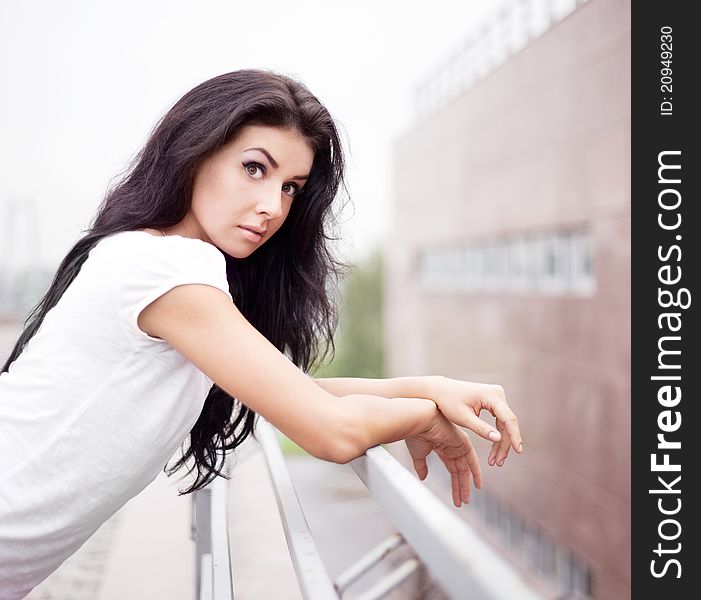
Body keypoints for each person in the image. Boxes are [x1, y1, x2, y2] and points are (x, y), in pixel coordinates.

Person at [0, 69, 522, 598]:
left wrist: (424, 387)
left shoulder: (150, 257)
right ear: (195, 152)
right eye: (254, 168)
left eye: (290, 187)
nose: (272, 207)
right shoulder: (170, 269)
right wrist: (424, 418)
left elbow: (291, 392)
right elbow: (330, 430)